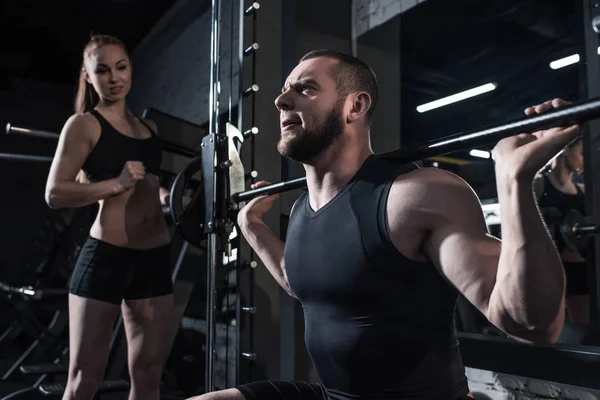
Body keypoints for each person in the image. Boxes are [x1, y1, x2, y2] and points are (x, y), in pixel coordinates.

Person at [191, 49, 577, 400]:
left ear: (354, 106)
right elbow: (307, 282)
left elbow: (531, 324)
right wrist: (250, 223)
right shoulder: (302, 209)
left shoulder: (415, 196)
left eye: (304, 88)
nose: (280, 100)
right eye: (284, 91)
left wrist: (514, 181)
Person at [45, 34, 174, 400]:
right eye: (102, 70)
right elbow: (55, 193)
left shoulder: (150, 130)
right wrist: (114, 184)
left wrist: (171, 197)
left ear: (131, 69)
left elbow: (151, 185)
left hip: (154, 260)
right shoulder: (84, 125)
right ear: (88, 76)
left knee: (149, 376)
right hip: (107, 256)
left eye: (121, 67)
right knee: (85, 379)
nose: (114, 77)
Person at [534, 137, 588, 324]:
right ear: (566, 149)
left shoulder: (584, 191)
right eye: (582, 153)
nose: (584, 159)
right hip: (550, 271)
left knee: (582, 329)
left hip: (582, 271)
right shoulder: (539, 186)